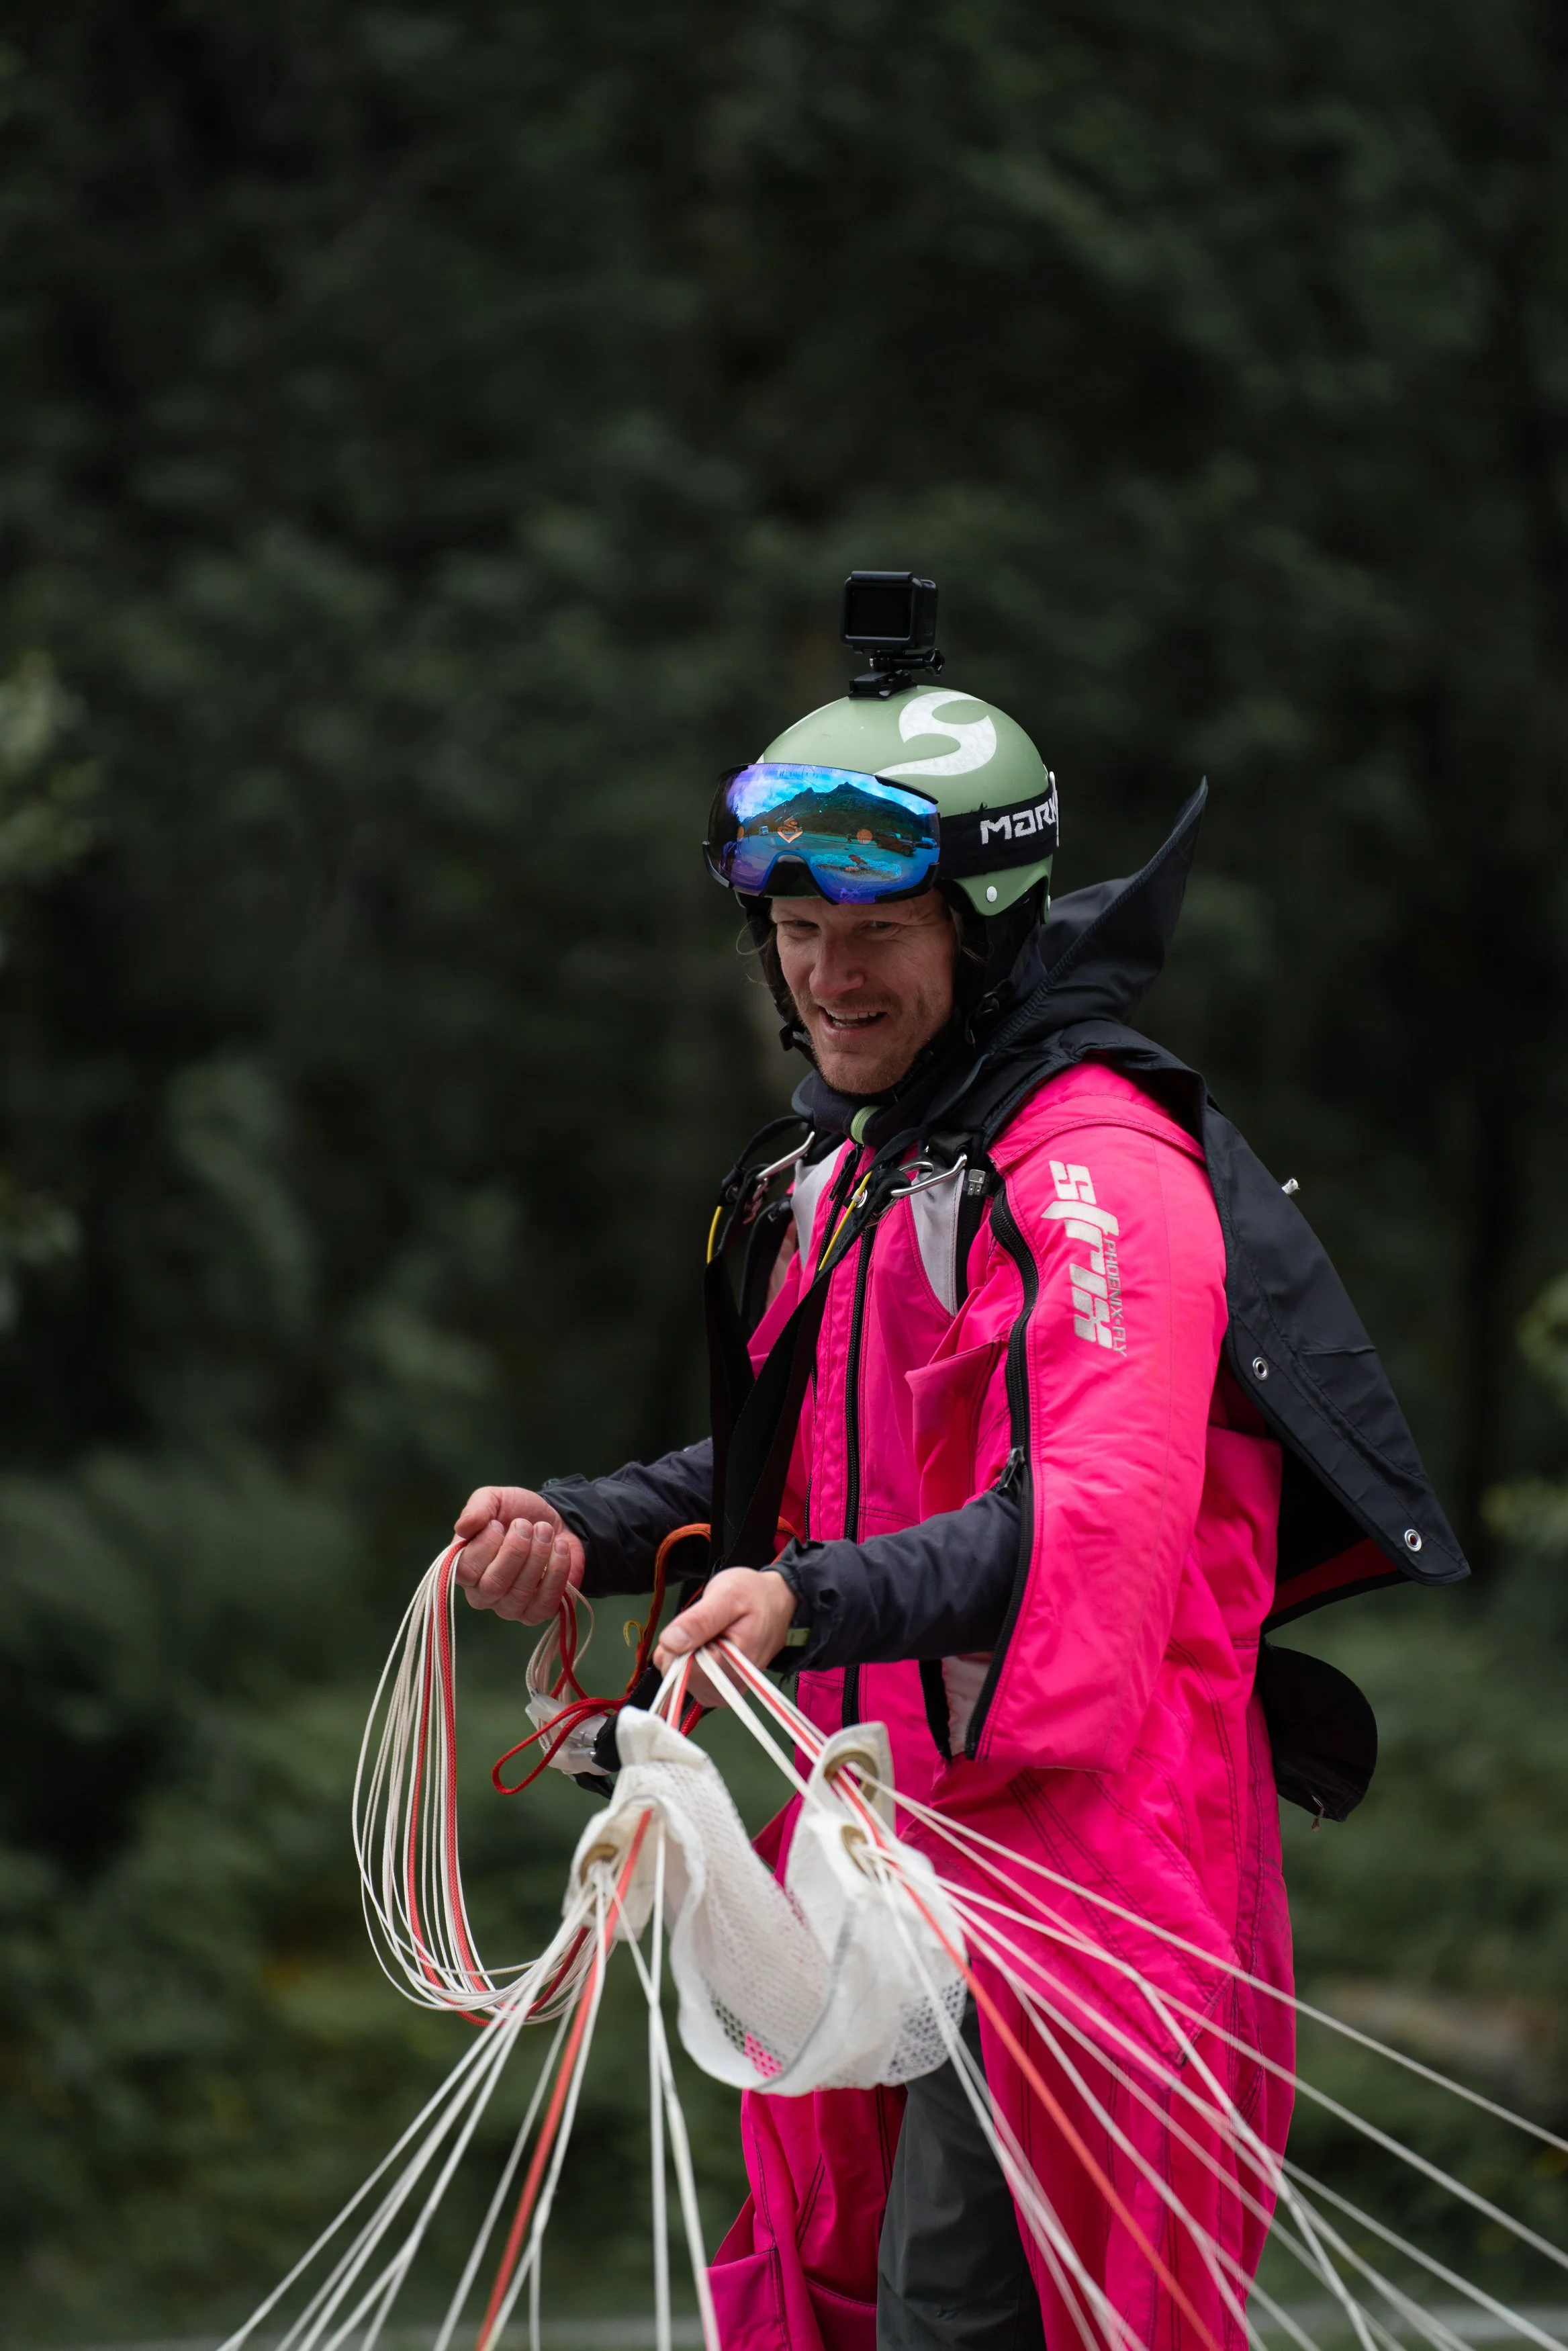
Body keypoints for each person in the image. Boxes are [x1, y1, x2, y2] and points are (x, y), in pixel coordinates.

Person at [451, 607, 1466, 2351]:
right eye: (796, 929)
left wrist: (806, 1593)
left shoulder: (1092, 1182)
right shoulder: (861, 1163)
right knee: (829, 2284)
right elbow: (802, 1457)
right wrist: (589, 1523)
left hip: (1079, 1885)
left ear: (982, 928)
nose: (830, 976)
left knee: (966, 2315)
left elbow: (1088, 1512)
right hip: (882, 1853)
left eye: (878, 931)